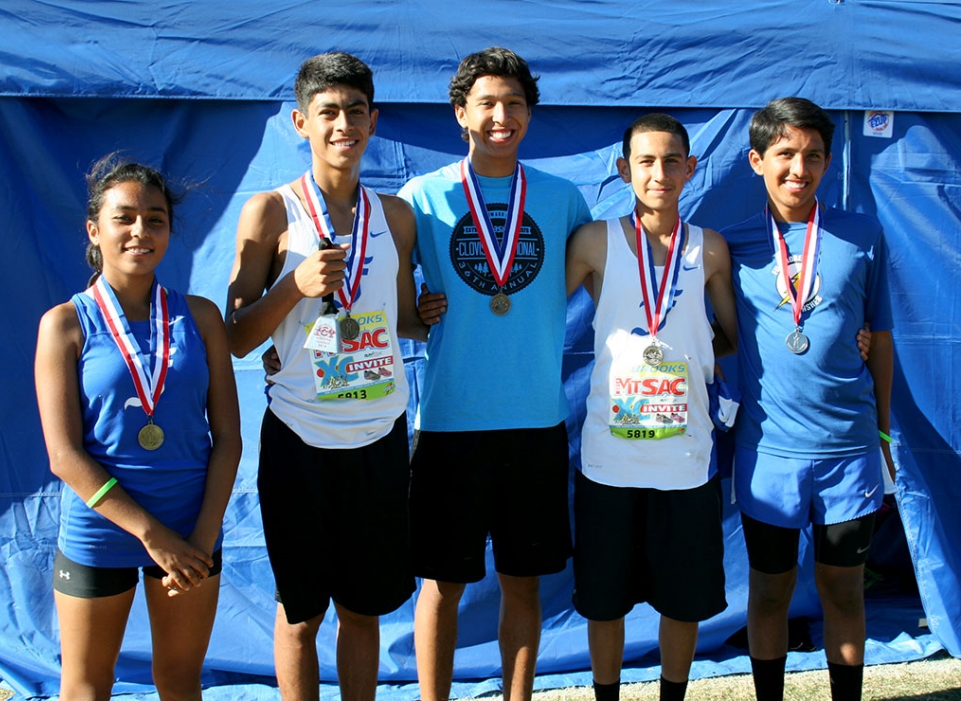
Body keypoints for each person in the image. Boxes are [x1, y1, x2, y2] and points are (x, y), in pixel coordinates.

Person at [224, 52, 424, 701]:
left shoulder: (395, 216)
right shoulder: (270, 212)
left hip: (379, 437)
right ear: (300, 122)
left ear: (374, 120)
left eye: (356, 111)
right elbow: (237, 337)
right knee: (301, 615)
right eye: (328, 112)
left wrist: (425, 315)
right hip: (299, 441)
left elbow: (395, 319)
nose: (344, 124)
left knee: (364, 611)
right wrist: (294, 287)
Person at [400, 47, 593, 701]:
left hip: (535, 419)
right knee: (441, 584)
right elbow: (389, 307)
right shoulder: (422, 197)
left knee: (523, 580)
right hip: (451, 419)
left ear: (530, 114)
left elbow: (608, 276)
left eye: (514, 103)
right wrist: (417, 311)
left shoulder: (565, 199)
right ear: (461, 114)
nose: (501, 115)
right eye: (486, 103)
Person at [34, 156, 242, 701]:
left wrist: (198, 539)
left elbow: (229, 440)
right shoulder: (64, 324)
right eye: (124, 218)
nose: (140, 232)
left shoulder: (200, 317)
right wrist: (155, 537)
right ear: (94, 230)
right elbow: (64, 455)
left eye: (155, 219)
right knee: (86, 685)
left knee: (178, 681)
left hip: (192, 526)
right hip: (101, 532)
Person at [722, 97, 895, 701]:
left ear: (828, 161)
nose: (800, 168)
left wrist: (885, 432)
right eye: (786, 154)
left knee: (843, 591)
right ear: (756, 160)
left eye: (814, 155)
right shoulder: (729, 246)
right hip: (768, 452)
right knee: (770, 592)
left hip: (849, 449)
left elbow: (882, 336)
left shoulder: (863, 234)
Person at [565, 114, 737, 701]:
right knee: (603, 600)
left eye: (671, 161)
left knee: (684, 598)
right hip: (608, 459)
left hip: (685, 459)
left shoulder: (709, 248)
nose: (658, 173)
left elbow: (733, 335)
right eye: (645, 161)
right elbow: (534, 315)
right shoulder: (593, 241)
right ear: (623, 170)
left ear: (691, 168)